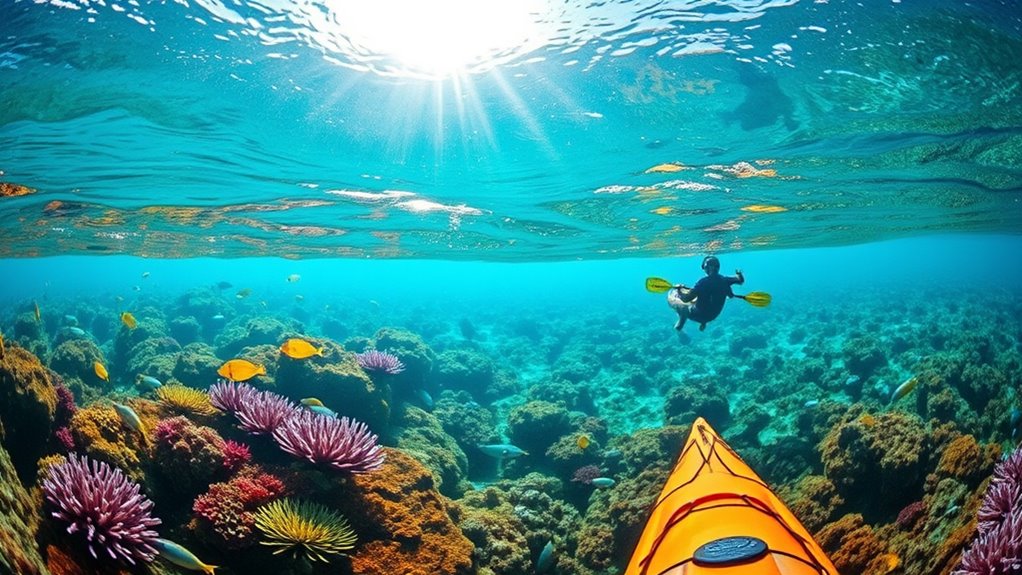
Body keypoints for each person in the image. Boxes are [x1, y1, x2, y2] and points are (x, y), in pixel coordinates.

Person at [667, 255, 744, 332]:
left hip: (698, 315)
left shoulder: (702, 282)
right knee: (701, 296)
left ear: (706, 267)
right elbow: (740, 281)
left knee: (674, 298)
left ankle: (681, 322)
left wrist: (678, 290)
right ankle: (703, 323)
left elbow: (686, 299)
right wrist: (739, 274)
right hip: (712, 316)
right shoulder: (725, 280)